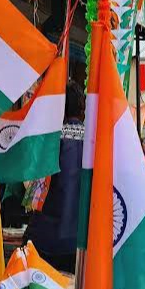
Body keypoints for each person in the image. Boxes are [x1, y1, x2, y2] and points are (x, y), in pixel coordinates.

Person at [24, 81, 86, 274]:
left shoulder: (49, 141)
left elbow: (33, 192)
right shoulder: (95, 142)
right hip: (83, 241)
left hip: (47, 241)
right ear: (82, 109)